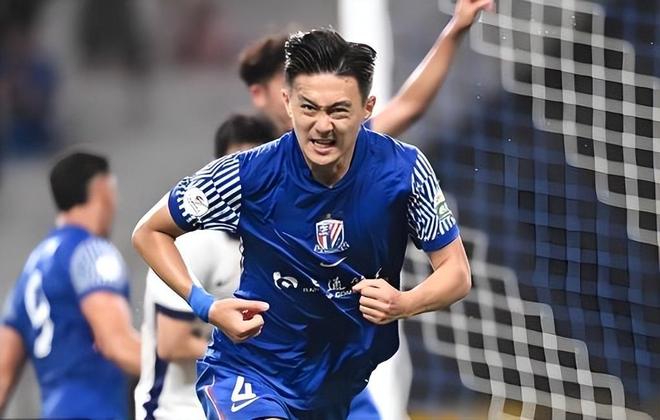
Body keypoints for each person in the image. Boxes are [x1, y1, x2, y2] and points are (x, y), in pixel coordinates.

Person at [133, 28, 471, 420]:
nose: (322, 126)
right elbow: (149, 231)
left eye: (338, 111)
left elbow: (457, 273)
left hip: (336, 385)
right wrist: (206, 306)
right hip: (252, 373)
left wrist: (405, 302)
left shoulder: (404, 171)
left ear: (367, 108)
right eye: (309, 108)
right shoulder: (248, 174)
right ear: (287, 103)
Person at [238, 1, 492, 417]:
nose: (318, 103)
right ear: (270, 94)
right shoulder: (244, 165)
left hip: (334, 360)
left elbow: (409, 107)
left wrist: (457, 27)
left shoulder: (350, 148)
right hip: (267, 359)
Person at [134, 114, 277, 420]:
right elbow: (173, 342)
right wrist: (261, 352)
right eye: (235, 166)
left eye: (256, 166)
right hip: (175, 410)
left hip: (234, 407)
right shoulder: (193, 241)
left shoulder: (274, 244)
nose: (246, 179)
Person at [0, 152, 141, 418]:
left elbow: (2, 380)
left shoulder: (28, 273)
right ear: (102, 189)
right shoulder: (91, 253)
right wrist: (188, 367)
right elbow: (117, 345)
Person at [239, 0, 495, 136]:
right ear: (259, 94)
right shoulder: (242, 158)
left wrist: (456, 28)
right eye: (289, 82)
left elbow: (408, 107)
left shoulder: (337, 141)